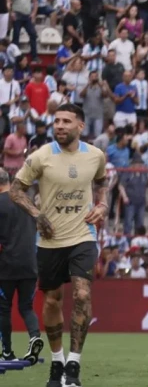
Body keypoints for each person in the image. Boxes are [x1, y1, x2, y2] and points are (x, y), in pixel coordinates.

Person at [9, 103, 109, 387]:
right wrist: (36, 214)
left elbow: (103, 184)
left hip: (83, 236)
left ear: (80, 126)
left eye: (66, 121)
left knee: (81, 294)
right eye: (56, 121)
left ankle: (74, 366)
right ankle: (57, 362)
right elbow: (17, 190)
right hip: (50, 240)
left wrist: (101, 205)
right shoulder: (41, 156)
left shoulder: (95, 155)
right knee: (52, 299)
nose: (60, 126)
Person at [0, 168, 43, 364]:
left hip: (6, 265)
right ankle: (35, 337)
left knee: (4, 308)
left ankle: (7, 351)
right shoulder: (26, 201)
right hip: (29, 263)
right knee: (26, 306)